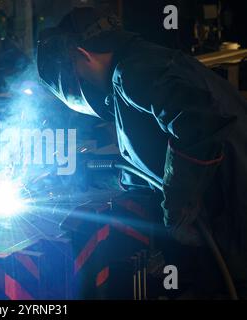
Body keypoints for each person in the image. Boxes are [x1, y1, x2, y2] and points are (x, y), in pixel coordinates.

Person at [37, 7, 247, 298]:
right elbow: (152, 155)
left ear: (82, 55)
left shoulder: (131, 73)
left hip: (231, 223)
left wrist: (178, 204)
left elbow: (198, 125)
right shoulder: (141, 63)